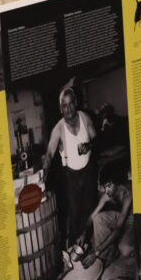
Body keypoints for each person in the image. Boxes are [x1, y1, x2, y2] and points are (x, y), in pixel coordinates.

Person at [43, 86, 97, 248]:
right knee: (75, 215)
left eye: (71, 103)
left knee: (90, 209)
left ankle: (90, 244)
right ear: (61, 109)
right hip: (71, 177)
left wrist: (89, 145)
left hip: (88, 173)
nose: (68, 109)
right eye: (64, 105)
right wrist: (43, 174)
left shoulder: (85, 118)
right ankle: (74, 249)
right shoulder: (58, 128)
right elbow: (49, 154)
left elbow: (96, 139)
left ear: (76, 103)